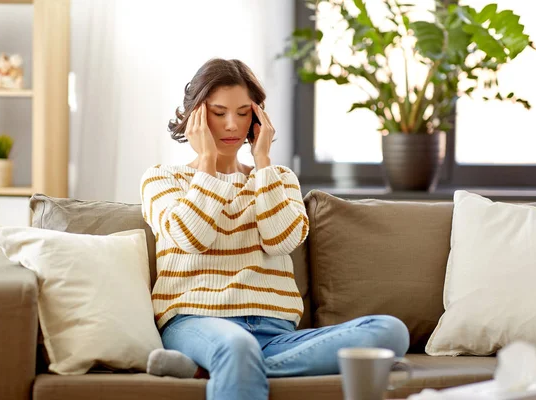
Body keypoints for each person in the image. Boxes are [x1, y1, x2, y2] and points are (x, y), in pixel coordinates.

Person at [140, 58, 409, 400]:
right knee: (236, 347)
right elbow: (192, 237)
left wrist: (263, 162)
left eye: (242, 112)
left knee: (389, 332)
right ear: (195, 115)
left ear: (257, 117)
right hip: (196, 322)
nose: (232, 124)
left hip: (274, 330)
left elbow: (280, 240)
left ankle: (213, 369)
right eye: (218, 112)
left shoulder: (278, 178)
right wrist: (207, 164)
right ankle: (231, 361)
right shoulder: (163, 178)